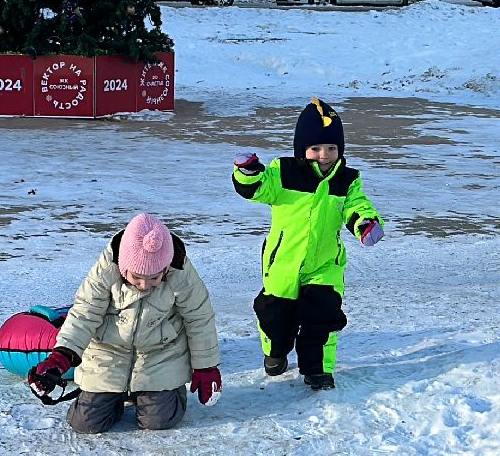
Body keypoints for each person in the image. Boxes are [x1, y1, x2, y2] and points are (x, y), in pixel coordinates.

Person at [232, 98, 384, 391]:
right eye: (315, 149)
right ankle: (276, 351)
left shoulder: (347, 179)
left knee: (323, 316)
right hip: (283, 264)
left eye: (331, 148)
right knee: (275, 316)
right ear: (302, 149)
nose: (323, 156)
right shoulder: (284, 172)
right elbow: (258, 189)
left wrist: (365, 223)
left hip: (325, 264)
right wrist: (248, 173)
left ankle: (318, 369)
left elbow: (357, 206)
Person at [26, 213, 222, 433]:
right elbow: (84, 313)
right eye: (137, 277)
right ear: (123, 266)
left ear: (166, 269)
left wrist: (206, 367)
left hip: (159, 356)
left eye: (154, 278)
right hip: (107, 354)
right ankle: (116, 396)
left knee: (159, 421)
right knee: (85, 424)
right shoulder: (106, 271)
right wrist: (62, 355)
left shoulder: (181, 274)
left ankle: (171, 393)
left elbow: (199, 317)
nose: (144, 285)